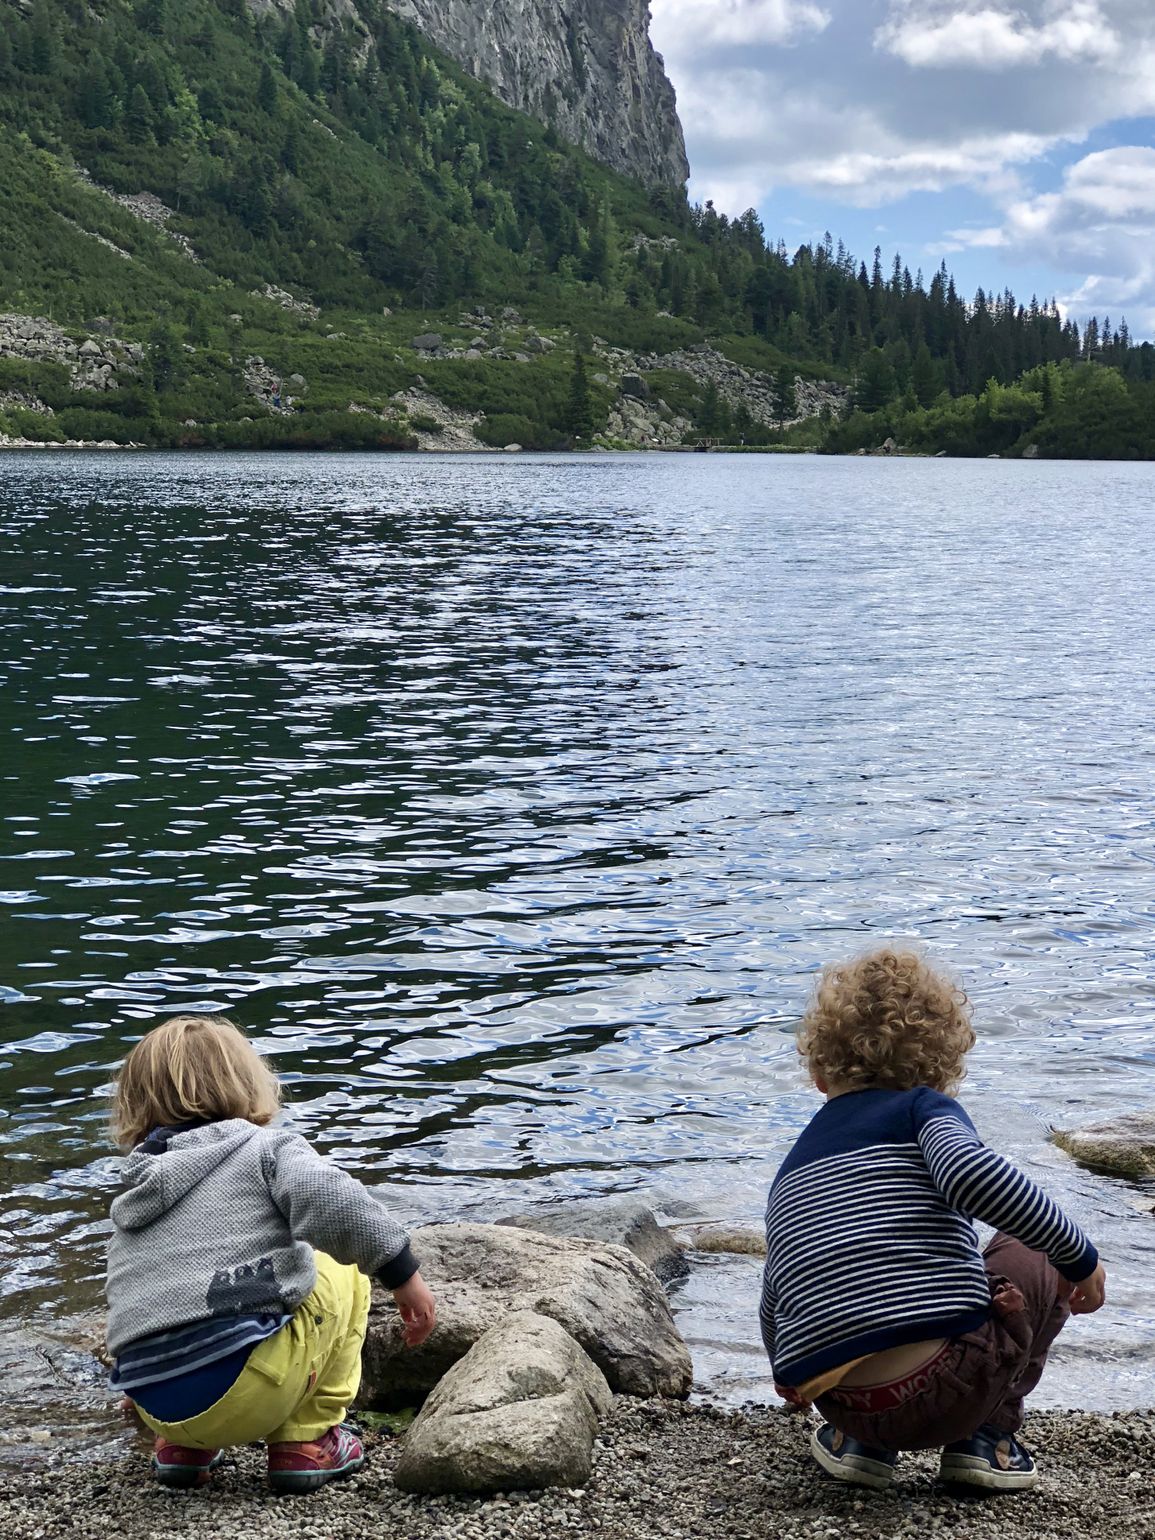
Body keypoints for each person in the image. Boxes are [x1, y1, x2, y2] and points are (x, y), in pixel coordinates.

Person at [761, 948, 1106, 1494]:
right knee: (1030, 1244)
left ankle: (863, 1447)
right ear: (941, 1068)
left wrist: (793, 1376)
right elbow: (971, 1174)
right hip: (948, 1389)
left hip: (844, 1404)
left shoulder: (798, 1163)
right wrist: (1078, 1256)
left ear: (819, 1074)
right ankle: (987, 1438)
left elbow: (780, 1283)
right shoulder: (923, 1109)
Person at [105, 1014, 436, 1493]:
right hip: (250, 1391)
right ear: (248, 1083)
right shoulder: (264, 1148)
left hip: (158, 1407)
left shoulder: (138, 1187)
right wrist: (402, 1272)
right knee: (341, 1269)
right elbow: (334, 1202)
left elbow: (128, 1292)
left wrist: (140, 1379)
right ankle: (308, 1441)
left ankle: (184, 1449)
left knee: (170, 1285)